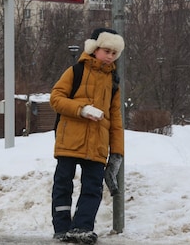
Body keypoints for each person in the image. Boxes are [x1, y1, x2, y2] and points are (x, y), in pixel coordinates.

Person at [49, 28, 125, 244]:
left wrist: (117, 153)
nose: (110, 56)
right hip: (69, 141)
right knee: (63, 184)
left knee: (93, 187)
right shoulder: (76, 71)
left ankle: (82, 227)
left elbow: (116, 120)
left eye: (114, 52)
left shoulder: (114, 82)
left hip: (97, 146)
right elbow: (55, 98)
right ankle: (62, 227)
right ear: (94, 48)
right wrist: (82, 109)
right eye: (106, 50)